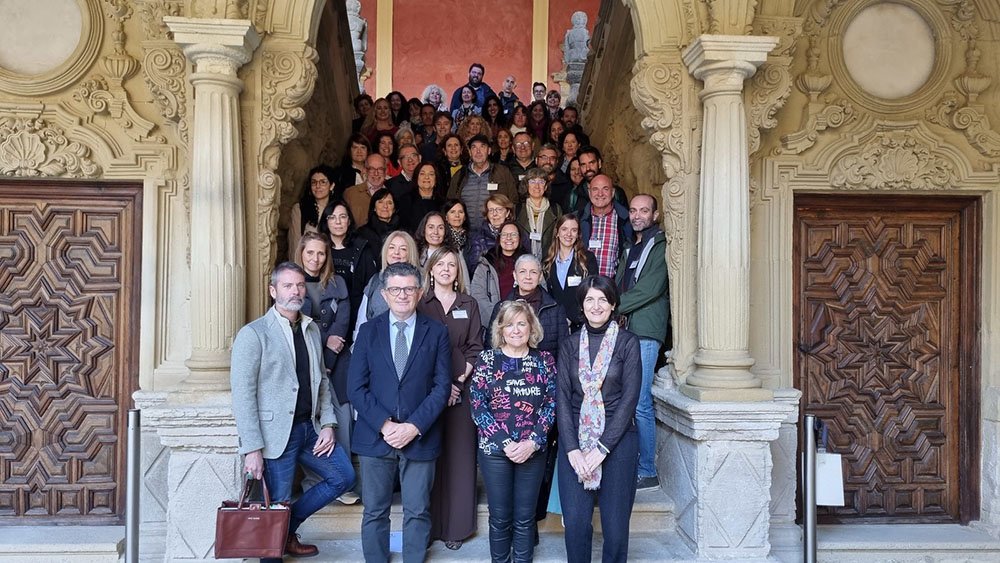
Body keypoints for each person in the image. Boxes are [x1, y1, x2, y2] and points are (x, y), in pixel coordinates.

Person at [231, 262, 356, 561]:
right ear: (273, 291)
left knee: (343, 477)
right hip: (275, 436)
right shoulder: (254, 334)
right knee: (277, 503)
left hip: (310, 429)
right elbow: (243, 395)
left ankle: (288, 530)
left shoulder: (311, 329)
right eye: (288, 285)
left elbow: (322, 381)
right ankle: (275, 549)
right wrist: (252, 448)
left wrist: (328, 423)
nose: (296, 291)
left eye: (299, 285)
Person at [348, 262, 452, 563]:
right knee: (375, 511)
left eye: (409, 289)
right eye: (396, 289)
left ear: (419, 293)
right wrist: (384, 424)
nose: (403, 295)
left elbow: (441, 387)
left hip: (420, 437)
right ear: (384, 293)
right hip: (374, 436)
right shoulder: (368, 332)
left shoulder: (436, 332)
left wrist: (413, 426)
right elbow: (356, 387)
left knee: (418, 510)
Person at [557, 276, 641, 563]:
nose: (596, 306)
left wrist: (602, 448)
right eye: (589, 299)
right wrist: (572, 450)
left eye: (602, 299)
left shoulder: (628, 343)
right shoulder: (568, 345)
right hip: (576, 441)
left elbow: (629, 400)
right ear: (581, 304)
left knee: (616, 530)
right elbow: (563, 401)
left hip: (618, 442)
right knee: (577, 525)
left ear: (613, 304)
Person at [470, 300, 556, 563]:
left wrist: (533, 441)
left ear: (532, 328)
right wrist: (505, 442)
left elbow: (553, 403)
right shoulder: (487, 360)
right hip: (495, 452)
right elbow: (477, 405)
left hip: (533, 450)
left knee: (524, 517)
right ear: (501, 329)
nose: (516, 330)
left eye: (522, 323)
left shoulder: (544, 360)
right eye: (510, 325)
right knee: (500, 517)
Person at [420, 247, 484, 551]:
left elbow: (475, 347)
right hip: (428, 393)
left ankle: (456, 528)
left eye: (451, 265)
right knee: (430, 459)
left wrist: (456, 381)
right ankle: (429, 526)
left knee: (460, 458)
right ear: (430, 269)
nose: (446, 269)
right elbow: (418, 349)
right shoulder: (420, 302)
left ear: (458, 270)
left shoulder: (468, 304)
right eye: (440, 264)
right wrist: (442, 386)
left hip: (462, 391)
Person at [294, 233, 358, 505]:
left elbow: (341, 327)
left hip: (337, 364)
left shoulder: (337, 283)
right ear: (301, 254)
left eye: (320, 253)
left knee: (341, 421)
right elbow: (293, 330)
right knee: (309, 422)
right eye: (310, 253)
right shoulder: (291, 285)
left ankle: (341, 481)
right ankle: (314, 482)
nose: (315, 259)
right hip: (303, 365)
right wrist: (323, 345)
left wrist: (327, 365)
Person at [615, 194, 669, 491]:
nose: (637, 215)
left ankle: (647, 469)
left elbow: (650, 289)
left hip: (646, 331)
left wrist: (613, 306)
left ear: (655, 214)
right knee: (628, 399)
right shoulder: (631, 247)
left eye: (644, 210)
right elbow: (622, 281)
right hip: (627, 330)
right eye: (633, 210)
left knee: (640, 402)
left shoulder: (660, 246)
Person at [320, 201, 379, 334]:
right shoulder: (319, 248)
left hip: (355, 312)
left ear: (349, 220)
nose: (338, 222)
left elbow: (371, 284)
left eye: (342, 217)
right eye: (332, 217)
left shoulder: (362, 248)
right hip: (324, 314)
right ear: (326, 221)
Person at [353, 230, 421, 342]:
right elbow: (362, 320)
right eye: (391, 247)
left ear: (411, 253)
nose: (396, 252)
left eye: (403, 249)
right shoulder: (375, 280)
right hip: (375, 345)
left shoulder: (420, 282)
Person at [447, 134, 519, 231]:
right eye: (474, 147)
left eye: (482, 146)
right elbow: (449, 204)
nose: (478, 151)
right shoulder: (459, 175)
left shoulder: (503, 172)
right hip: (465, 234)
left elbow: (513, 202)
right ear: (469, 152)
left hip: (496, 234)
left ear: (489, 151)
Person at [543, 213, 598, 331]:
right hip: (555, 325)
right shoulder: (547, 261)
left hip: (581, 324)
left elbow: (592, 293)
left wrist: (572, 317)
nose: (568, 234)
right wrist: (560, 319)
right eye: (564, 229)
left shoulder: (588, 259)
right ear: (557, 232)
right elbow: (548, 296)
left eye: (574, 230)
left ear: (578, 234)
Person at [471, 222, 526, 330]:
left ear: (519, 238)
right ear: (499, 238)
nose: (509, 238)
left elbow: (539, 291)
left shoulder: (528, 262)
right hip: (494, 324)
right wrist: (500, 320)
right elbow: (478, 295)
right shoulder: (486, 264)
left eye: (513, 234)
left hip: (523, 325)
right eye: (504, 234)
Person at [579, 174, 632, 278]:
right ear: (589, 193)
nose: (600, 194)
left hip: (612, 287)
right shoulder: (578, 218)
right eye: (595, 189)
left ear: (612, 193)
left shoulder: (625, 220)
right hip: (583, 286)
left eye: (605, 189)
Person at [288, 165, 335, 261]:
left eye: (323, 182)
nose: (318, 186)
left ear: (332, 186)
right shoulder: (300, 209)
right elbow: (295, 243)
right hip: (308, 265)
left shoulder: (338, 209)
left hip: (334, 265)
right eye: (314, 182)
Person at [516, 167, 561, 259]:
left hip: (549, 260)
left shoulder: (555, 209)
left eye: (541, 182)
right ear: (526, 185)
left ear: (546, 186)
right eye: (532, 181)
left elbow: (559, 237)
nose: (537, 186)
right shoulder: (517, 209)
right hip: (523, 261)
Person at [468, 193, 516, 270]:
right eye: (491, 210)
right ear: (487, 214)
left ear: (507, 213)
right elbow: (474, 268)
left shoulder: (518, 234)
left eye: (499, 210)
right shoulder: (479, 238)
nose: (494, 214)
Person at [344, 154, 388, 226]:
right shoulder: (350, 194)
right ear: (365, 170)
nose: (376, 173)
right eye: (371, 169)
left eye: (380, 169)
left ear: (386, 171)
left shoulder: (392, 194)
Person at [401, 161, 445, 231]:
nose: (426, 177)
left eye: (431, 174)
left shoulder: (443, 203)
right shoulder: (405, 201)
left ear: (436, 179)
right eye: (422, 174)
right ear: (416, 178)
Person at [332, 134, 370, 201]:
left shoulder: (374, 171)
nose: (359, 151)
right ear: (349, 150)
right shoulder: (340, 173)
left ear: (368, 151)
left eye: (363, 147)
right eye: (355, 147)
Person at [443, 198, 472, 265]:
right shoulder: (442, 238)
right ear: (446, 217)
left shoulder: (472, 238)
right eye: (452, 212)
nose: (457, 215)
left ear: (465, 217)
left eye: (460, 212)